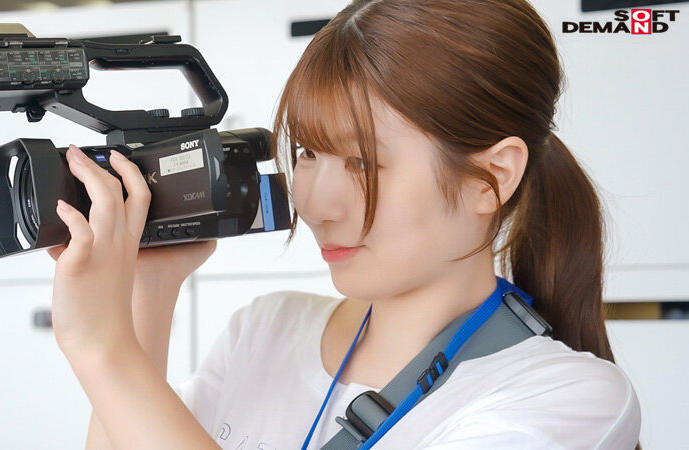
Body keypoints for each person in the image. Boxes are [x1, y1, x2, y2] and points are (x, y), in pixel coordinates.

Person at [46, 0, 642, 448]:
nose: (316, 204)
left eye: (362, 162)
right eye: (307, 152)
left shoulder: (569, 399)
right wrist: (148, 289)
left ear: (491, 177)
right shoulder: (266, 329)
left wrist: (102, 347)